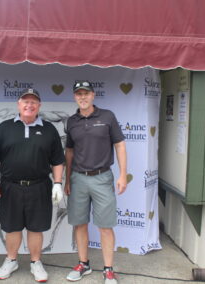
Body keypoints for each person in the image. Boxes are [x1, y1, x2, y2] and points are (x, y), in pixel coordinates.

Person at [0, 88, 65, 282]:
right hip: (10, 186)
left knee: (36, 227)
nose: (29, 105)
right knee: (12, 227)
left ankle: (35, 262)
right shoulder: (4, 128)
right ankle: (11, 260)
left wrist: (57, 183)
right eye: (25, 101)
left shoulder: (49, 129)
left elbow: (57, 160)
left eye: (33, 102)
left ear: (39, 106)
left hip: (40, 186)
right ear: (18, 104)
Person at [64, 81, 127, 284]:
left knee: (105, 226)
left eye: (86, 93)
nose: (82, 97)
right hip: (78, 178)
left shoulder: (107, 116)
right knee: (80, 224)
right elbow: (70, 151)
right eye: (78, 94)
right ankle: (84, 264)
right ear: (75, 97)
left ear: (93, 95)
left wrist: (123, 174)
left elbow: (119, 144)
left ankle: (108, 269)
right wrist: (67, 179)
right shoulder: (71, 121)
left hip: (102, 177)